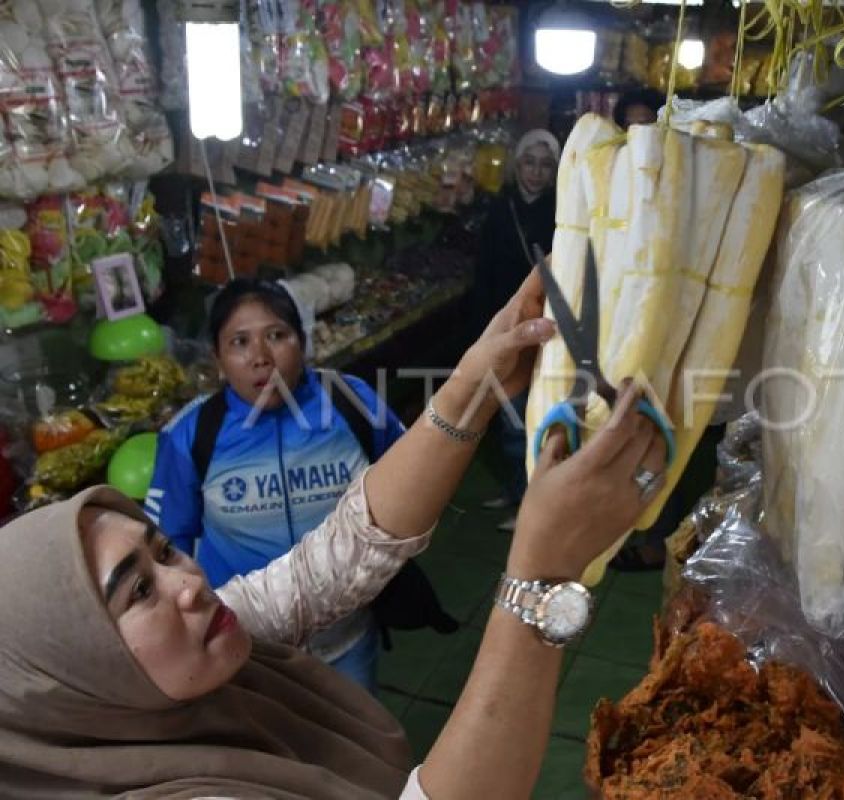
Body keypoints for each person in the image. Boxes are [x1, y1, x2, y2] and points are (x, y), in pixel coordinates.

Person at [0, 270, 670, 799]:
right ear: (73, 678)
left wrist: (473, 385)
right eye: (140, 590)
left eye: (167, 551)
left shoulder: (206, 659)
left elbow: (338, 555)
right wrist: (541, 575)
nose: (191, 583)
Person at [145, 278, 412, 691]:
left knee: (362, 749)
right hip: (246, 648)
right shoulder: (191, 435)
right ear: (217, 359)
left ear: (301, 343)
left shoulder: (351, 402)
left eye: (276, 335)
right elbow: (168, 545)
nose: (261, 358)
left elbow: (411, 477)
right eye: (239, 342)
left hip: (347, 637)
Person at [472, 129, 560, 531]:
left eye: (545, 165)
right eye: (529, 162)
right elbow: (485, 271)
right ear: (516, 164)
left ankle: (528, 501)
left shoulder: (560, 212)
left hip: (541, 326)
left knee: (527, 416)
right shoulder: (499, 208)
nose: (536, 173)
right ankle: (513, 490)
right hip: (502, 323)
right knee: (507, 410)